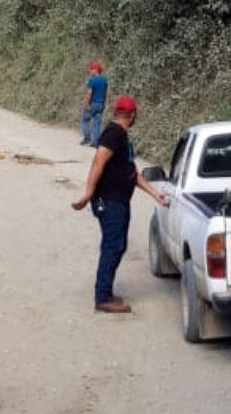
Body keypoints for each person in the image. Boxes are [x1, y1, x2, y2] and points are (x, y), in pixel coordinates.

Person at [71, 95, 169, 313]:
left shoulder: (121, 136)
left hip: (119, 200)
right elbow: (99, 160)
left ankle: (105, 291)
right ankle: (103, 297)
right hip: (110, 201)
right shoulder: (114, 133)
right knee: (113, 246)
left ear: (117, 112)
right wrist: (88, 192)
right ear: (132, 115)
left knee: (118, 245)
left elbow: (131, 173)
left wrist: (155, 193)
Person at [79, 60, 108, 146]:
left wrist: (87, 104)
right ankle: (96, 142)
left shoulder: (92, 80)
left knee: (84, 119)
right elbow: (105, 92)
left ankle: (87, 138)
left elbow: (89, 93)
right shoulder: (104, 80)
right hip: (101, 103)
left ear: (95, 70)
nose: (89, 71)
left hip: (93, 103)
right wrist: (103, 103)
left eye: (91, 69)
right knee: (97, 122)